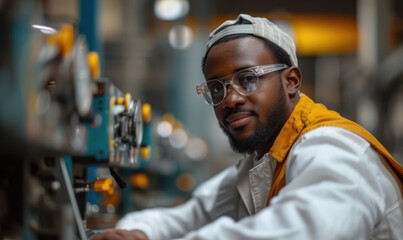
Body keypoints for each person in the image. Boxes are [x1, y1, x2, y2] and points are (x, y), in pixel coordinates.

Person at [93, 14, 403, 240]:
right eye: (216, 89)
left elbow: (297, 232)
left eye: (248, 79)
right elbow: (188, 216)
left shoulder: (334, 150)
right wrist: (136, 232)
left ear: (291, 81)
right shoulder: (261, 163)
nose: (230, 99)